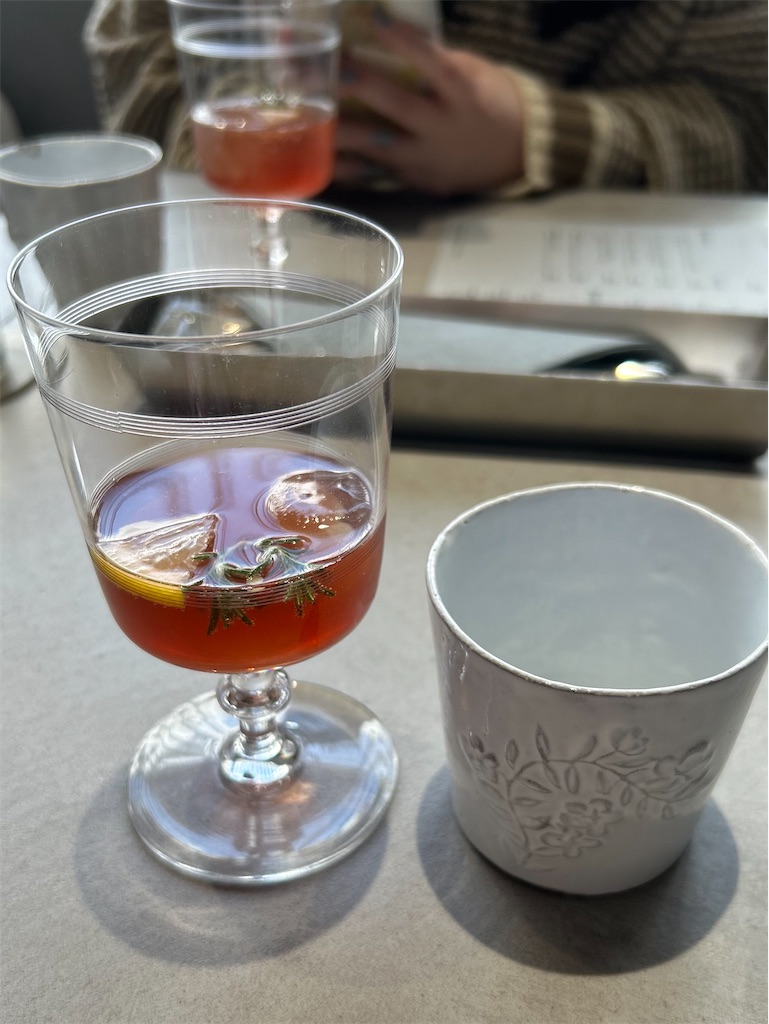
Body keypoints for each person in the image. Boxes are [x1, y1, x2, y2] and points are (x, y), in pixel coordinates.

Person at [83, 0, 767, 199]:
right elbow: (137, 84)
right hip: (256, 265)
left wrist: (538, 135)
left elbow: (748, 123)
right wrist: (267, 94)